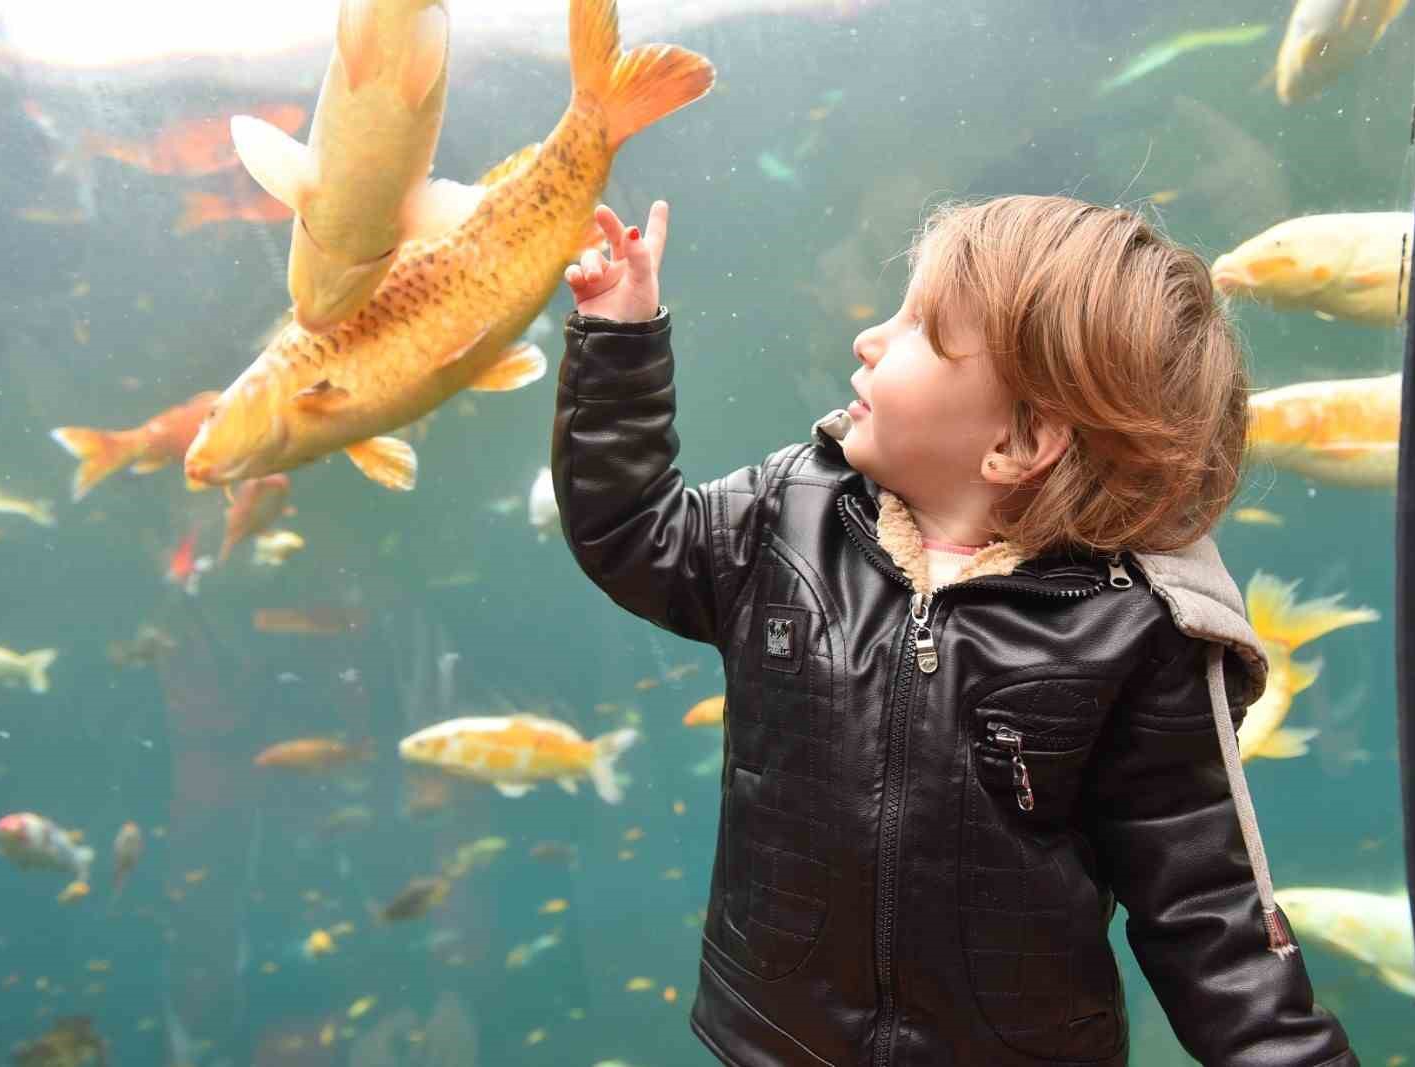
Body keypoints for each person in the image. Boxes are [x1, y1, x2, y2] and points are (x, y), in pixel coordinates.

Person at [552, 195, 1357, 1066]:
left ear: (1021, 440)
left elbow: (1206, 914)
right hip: (780, 1039)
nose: (868, 336)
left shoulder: (1136, 629)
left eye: (919, 328)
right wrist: (619, 342)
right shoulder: (789, 514)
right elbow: (632, 528)